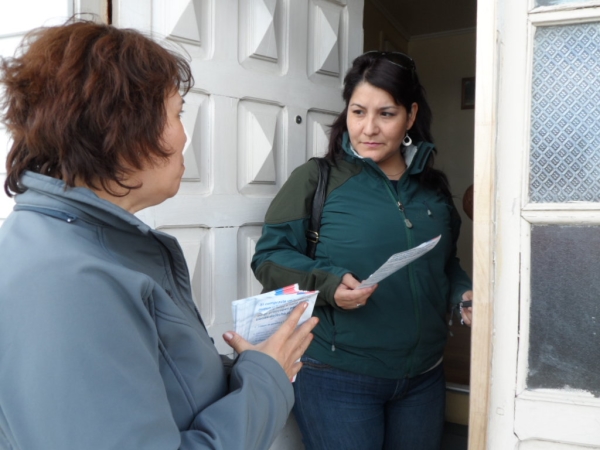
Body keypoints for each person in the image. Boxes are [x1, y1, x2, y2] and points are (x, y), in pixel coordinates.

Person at [0, 19, 318, 450]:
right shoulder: (66, 280)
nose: (185, 136)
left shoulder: (90, 245)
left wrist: (248, 367)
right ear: (121, 126)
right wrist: (267, 379)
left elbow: (157, 390)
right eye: (176, 114)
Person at [251, 51, 473, 450]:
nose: (368, 128)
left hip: (424, 376)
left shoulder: (433, 189)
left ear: (410, 115)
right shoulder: (316, 178)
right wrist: (329, 284)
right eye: (358, 112)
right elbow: (268, 257)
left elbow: (446, 263)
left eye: (386, 114)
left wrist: (463, 294)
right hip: (338, 376)